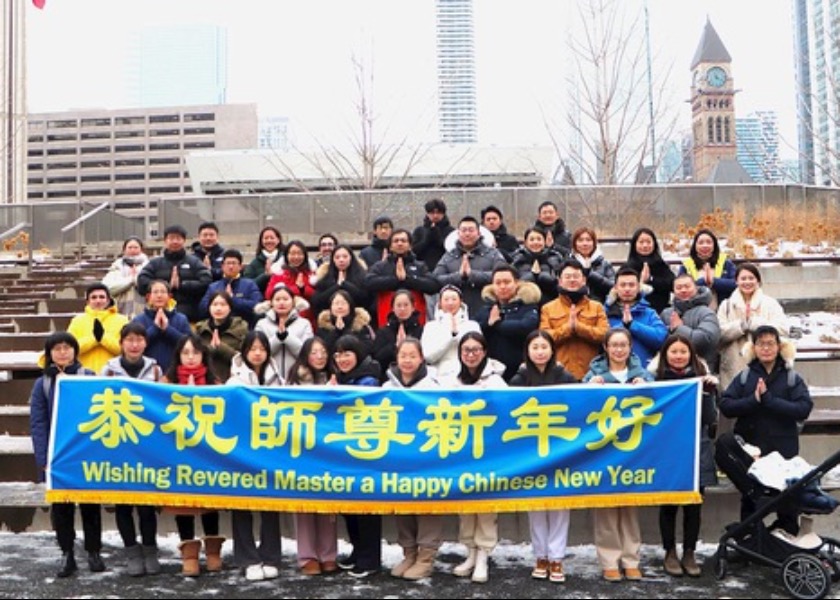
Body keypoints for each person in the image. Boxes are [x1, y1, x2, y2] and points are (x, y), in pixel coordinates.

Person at [719, 325, 813, 534]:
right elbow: (726, 406)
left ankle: (784, 541)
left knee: (787, 501)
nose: (766, 349)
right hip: (753, 451)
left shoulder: (791, 378)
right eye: (761, 344)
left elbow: (804, 408)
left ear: (779, 347)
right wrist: (753, 401)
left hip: (784, 451)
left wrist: (770, 401)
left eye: (770, 343)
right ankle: (751, 541)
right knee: (751, 499)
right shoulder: (744, 377)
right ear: (754, 348)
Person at [583, 327, 654, 582]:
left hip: (634, 452)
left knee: (629, 509)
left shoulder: (643, 374)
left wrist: (647, 388)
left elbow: (660, 402)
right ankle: (609, 560)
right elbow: (579, 408)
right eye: (614, 345)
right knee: (606, 508)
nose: (619, 350)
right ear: (606, 347)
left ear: (630, 347)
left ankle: (631, 559)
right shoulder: (594, 374)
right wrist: (589, 388)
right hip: (604, 451)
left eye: (623, 345)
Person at [30, 331, 104, 578]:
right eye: (57, 348)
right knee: (61, 507)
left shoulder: (88, 377)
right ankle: (67, 553)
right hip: (57, 453)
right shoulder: (43, 384)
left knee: (90, 505)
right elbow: (38, 423)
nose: (63, 351)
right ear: (49, 354)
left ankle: (94, 551)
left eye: (67, 347)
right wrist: (43, 458)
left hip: (85, 450)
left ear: (75, 350)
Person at [509, 330, 577, 583]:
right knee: (535, 505)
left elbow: (582, 403)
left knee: (560, 505)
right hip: (530, 452)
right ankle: (541, 556)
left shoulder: (564, 377)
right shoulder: (519, 379)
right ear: (527, 351)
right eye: (535, 347)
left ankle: (557, 558)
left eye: (544, 347)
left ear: (552, 350)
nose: (540, 351)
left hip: (560, 450)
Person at [650, 334, 719, 578]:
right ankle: (669, 551)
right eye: (673, 352)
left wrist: (708, 393)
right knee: (668, 504)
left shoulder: (701, 380)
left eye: (683, 352)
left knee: (694, 505)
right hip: (667, 449)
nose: (678, 356)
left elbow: (710, 420)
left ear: (690, 354)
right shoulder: (655, 381)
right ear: (665, 355)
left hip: (696, 447)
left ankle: (689, 551)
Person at [443, 331, 507, 584]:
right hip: (461, 454)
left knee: (486, 507)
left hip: (488, 455)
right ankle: (470, 553)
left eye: (475, 350)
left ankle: (483, 556)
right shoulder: (451, 381)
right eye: (466, 350)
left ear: (484, 352)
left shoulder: (496, 382)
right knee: (465, 507)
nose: (471, 355)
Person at [100, 322, 163, 577]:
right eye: (129, 340)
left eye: (139, 339)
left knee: (147, 504)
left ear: (145, 343)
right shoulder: (108, 371)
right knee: (124, 504)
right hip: (119, 445)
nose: (134, 344)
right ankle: (131, 552)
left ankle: (150, 549)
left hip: (148, 447)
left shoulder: (156, 370)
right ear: (122, 342)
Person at [161, 333, 226, 576]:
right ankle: (188, 554)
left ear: (203, 355)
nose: (190, 357)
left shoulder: (214, 383)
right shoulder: (166, 383)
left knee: (210, 501)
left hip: (208, 452)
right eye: (185, 352)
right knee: (183, 502)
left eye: (195, 353)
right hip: (177, 452)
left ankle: (213, 551)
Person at [382, 337, 443, 580]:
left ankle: (426, 557)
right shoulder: (387, 388)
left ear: (421, 358)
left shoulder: (434, 386)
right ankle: (409, 552)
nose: (407, 361)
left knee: (427, 506)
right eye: (403, 355)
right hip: (397, 457)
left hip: (427, 458)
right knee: (403, 504)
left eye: (412, 356)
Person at [226, 331, 283, 581]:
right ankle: (248, 558)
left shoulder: (279, 379)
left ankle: (271, 556)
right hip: (241, 450)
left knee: (270, 504)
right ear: (245, 351)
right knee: (242, 505)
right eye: (253, 348)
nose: (258, 353)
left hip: (270, 450)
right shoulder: (234, 381)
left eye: (262, 348)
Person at [330, 335, 383, 579]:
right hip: (344, 451)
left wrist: (334, 394)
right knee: (349, 507)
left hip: (366, 451)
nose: (342, 359)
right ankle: (358, 550)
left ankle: (370, 558)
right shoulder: (341, 378)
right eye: (338, 354)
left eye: (347, 354)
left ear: (358, 355)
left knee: (366, 508)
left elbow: (357, 403)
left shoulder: (368, 379)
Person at [286, 336, 339, 576]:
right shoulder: (293, 383)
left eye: (323, 352)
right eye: (314, 352)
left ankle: (329, 555)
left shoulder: (335, 378)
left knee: (329, 506)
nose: (319, 356)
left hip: (329, 451)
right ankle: (307, 556)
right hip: (303, 450)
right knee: (305, 505)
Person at [717, 262, 789, 390]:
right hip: (733, 364)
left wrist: (758, 325)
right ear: (736, 281)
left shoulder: (770, 303)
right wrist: (741, 326)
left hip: (765, 363)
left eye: (751, 278)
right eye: (743, 278)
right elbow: (718, 334)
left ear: (758, 281)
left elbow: (783, 329)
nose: (747, 282)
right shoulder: (726, 305)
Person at [539, 259, 609, 380]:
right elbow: (544, 339)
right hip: (559, 374)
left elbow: (605, 335)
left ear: (584, 280)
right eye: (568, 276)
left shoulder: (596, 306)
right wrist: (567, 328)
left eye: (576, 276)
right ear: (560, 281)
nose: (572, 280)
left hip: (591, 374)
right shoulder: (548, 308)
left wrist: (579, 328)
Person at [474, 265, 540, 381]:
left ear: (517, 283)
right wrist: (488, 324)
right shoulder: (486, 309)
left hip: (522, 371)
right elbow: (474, 331)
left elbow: (526, 327)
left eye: (507, 282)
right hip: (491, 372)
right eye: (498, 283)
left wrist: (498, 324)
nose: (502, 286)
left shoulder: (528, 306)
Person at [433, 216, 508, 317]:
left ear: (479, 233)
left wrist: (472, 275)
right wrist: (459, 276)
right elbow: (436, 278)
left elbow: (503, 276)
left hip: (487, 309)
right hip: (455, 312)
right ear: (458, 234)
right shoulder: (449, 256)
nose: (467, 234)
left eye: (471, 230)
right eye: (463, 230)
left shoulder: (493, 254)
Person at [365, 228, 440, 328]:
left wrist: (408, 280)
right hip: (387, 320)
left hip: (416, 321)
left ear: (410, 246)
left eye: (403, 241)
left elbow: (434, 285)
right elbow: (368, 282)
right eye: (396, 241)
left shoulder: (419, 266)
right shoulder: (381, 266)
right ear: (390, 246)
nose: (399, 243)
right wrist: (395, 280)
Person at [137, 224, 211, 324]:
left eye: (178, 238)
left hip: (189, 317)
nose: (175, 241)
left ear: (184, 241)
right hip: (156, 316)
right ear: (165, 241)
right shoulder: (155, 263)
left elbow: (206, 281)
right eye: (171, 238)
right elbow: (142, 282)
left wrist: (181, 285)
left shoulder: (194, 262)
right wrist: (165, 286)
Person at [604, 267, 668, 368]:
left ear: (638, 287)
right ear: (615, 288)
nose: (627, 289)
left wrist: (633, 325)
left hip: (643, 373)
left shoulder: (649, 313)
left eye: (631, 285)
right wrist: (623, 325)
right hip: (613, 374)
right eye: (623, 285)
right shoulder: (605, 312)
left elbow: (661, 338)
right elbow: (602, 340)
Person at [660, 274, 721, 370]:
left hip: (701, 368)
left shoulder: (706, 312)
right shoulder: (666, 313)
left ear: (696, 288)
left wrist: (679, 329)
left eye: (687, 286)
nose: (683, 290)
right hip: (669, 369)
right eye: (679, 288)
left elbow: (708, 340)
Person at [420, 284, 482, 380]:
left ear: (460, 302)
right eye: (446, 299)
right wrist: (450, 337)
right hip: (438, 377)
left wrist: (458, 336)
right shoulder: (431, 326)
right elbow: (428, 356)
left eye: (454, 299)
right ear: (440, 303)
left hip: (468, 376)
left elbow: (478, 353)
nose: (450, 303)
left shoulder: (472, 325)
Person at [255, 283, 314, 380]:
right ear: (271, 303)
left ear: (293, 302)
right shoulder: (262, 324)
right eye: (277, 300)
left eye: (286, 299)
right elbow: (259, 352)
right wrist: (277, 338)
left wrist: (287, 337)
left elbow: (307, 352)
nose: (281, 303)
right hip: (269, 378)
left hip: (298, 378)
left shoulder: (304, 324)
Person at [131, 279, 192, 372]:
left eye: (163, 292)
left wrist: (168, 329)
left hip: (175, 373)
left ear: (169, 296)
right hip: (146, 373)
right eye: (155, 292)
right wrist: (155, 329)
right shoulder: (139, 320)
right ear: (148, 297)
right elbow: (135, 346)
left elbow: (189, 345)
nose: (159, 295)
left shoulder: (181, 319)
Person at [67, 282, 129, 374]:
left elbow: (126, 350)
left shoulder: (122, 320)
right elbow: (69, 350)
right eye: (94, 297)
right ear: (87, 301)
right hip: (84, 375)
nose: (98, 301)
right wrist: (94, 339)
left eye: (102, 297)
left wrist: (103, 338)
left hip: (113, 374)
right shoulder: (77, 321)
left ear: (108, 300)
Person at [198, 248, 263, 328]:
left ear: (240, 266)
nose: (231, 266)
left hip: (243, 328)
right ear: (222, 266)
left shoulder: (249, 284)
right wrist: (220, 303)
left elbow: (256, 306)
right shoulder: (214, 287)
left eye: (234, 263)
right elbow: (202, 308)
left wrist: (233, 299)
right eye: (228, 263)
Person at [194, 290, 249, 382]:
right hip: (205, 382)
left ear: (230, 308)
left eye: (223, 305)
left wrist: (221, 348)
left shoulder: (241, 328)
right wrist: (210, 349)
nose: (218, 308)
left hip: (233, 381)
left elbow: (245, 359)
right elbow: (194, 358)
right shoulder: (200, 329)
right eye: (214, 304)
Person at [371, 289, 425, 382]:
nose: (402, 309)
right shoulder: (383, 331)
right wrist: (395, 347)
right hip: (389, 378)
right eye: (399, 305)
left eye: (406, 305)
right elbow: (377, 358)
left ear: (413, 307)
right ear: (392, 308)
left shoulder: (422, 330)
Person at [677, 228, 736, 310]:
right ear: (695, 246)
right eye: (701, 243)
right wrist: (703, 282)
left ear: (714, 245)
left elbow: (736, 284)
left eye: (709, 242)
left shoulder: (726, 263)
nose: (705, 245)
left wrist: (714, 281)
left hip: (724, 311)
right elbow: (680, 288)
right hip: (694, 311)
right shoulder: (686, 265)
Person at [265, 240, 317, 324]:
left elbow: (316, 295)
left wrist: (303, 288)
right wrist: (295, 289)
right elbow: (269, 294)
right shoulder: (279, 273)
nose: (296, 257)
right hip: (282, 317)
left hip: (306, 318)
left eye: (299, 253)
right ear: (286, 255)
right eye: (292, 253)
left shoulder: (311, 274)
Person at [624, 227, 675, 314]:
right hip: (635, 311)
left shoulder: (661, 265)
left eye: (648, 242)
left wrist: (651, 280)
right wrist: (640, 282)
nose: (645, 245)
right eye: (641, 242)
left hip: (661, 310)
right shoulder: (628, 267)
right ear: (634, 245)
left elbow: (672, 284)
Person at [312, 243, 370, 317]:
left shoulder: (362, 276)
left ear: (351, 258)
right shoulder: (325, 277)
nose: (341, 260)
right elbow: (316, 301)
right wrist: (337, 286)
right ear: (333, 260)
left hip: (357, 318)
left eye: (345, 257)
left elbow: (367, 299)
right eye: (337, 257)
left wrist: (345, 284)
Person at [510, 227, 565, 305]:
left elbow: (559, 284)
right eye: (532, 239)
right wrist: (532, 276)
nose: (535, 242)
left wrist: (545, 278)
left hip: (551, 303)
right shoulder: (517, 258)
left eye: (539, 239)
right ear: (525, 242)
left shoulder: (554, 257)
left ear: (545, 241)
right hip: (522, 304)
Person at [314, 289, 375, 355]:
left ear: (350, 306)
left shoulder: (361, 326)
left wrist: (345, 331)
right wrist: (336, 331)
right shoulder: (323, 327)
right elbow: (323, 350)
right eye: (336, 303)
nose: (340, 307)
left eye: (343, 303)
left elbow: (365, 350)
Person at [102, 236, 150, 317]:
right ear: (124, 250)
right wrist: (131, 280)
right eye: (130, 247)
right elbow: (108, 288)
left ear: (141, 249)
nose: (133, 250)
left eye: (135, 247)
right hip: (120, 308)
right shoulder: (117, 266)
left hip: (144, 308)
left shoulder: (149, 266)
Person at [569, 227, 615, 304]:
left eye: (588, 240)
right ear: (574, 243)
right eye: (580, 240)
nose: (585, 244)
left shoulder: (604, 264)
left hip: (600, 307)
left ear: (594, 243)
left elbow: (613, 287)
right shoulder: (567, 264)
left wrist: (590, 273)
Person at [412, 197, 454, 271]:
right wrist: (426, 239)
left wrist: (438, 238)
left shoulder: (451, 231)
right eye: (432, 213)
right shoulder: (419, 231)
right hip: (423, 269)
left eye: (438, 213)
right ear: (427, 214)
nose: (435, 216)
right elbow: (414, 251)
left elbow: (452, 252)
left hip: (445, 269)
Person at [243, 225, 283, 295]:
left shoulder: (285, 260)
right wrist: (265, 276)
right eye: (266, 238)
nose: (269, 240)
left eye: (272, 238)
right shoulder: (254, 264)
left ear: (278, 240)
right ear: (261, 241)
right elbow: (247, 285)